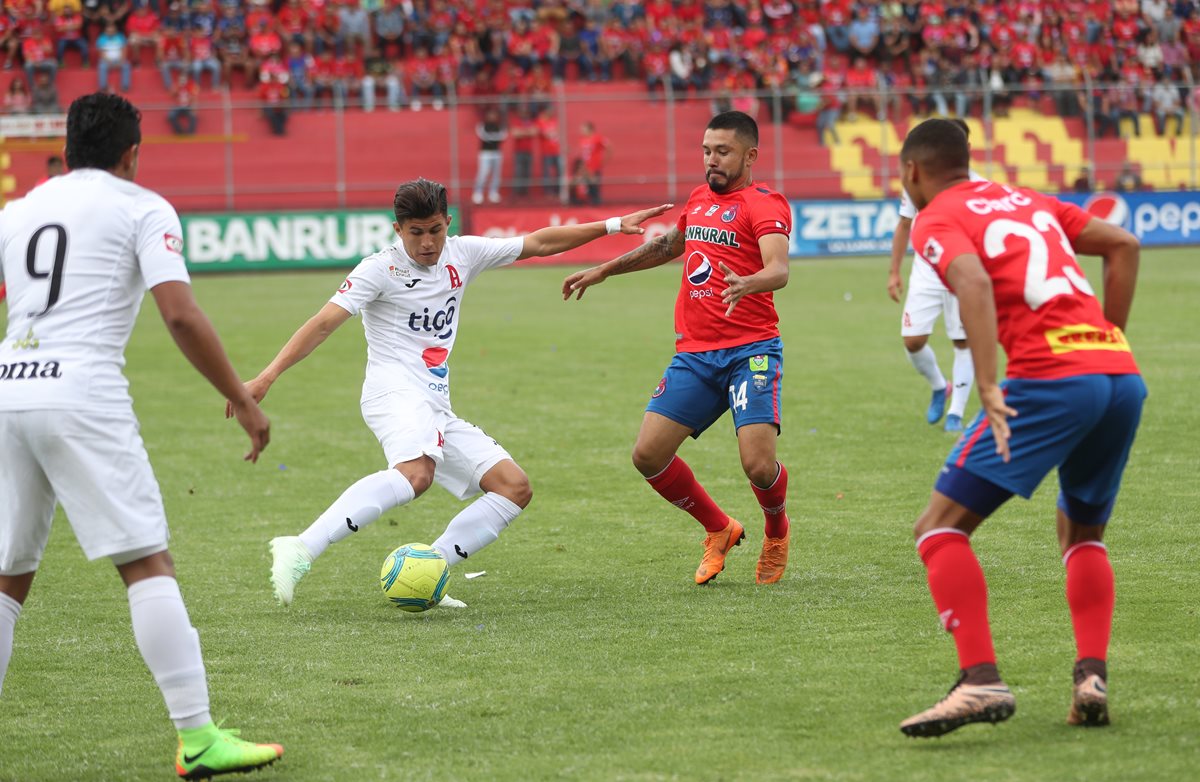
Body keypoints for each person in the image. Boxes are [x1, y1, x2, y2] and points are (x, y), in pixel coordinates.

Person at [0, 92, 283, 778]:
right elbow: (180, 316)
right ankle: (197, 738)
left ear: (66, 149)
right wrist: (242, 399)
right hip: (83, 394)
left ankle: (199, 735)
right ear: (132, 154)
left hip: (10, 386)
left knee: (8, 578)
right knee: (146, 563)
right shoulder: (142, 206)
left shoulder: (17, 211)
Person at [236, 178, 670, 607]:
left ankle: (429, 568)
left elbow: (537, 243)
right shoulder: (378, 269)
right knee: (416, 474)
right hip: (393, 393)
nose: (427, 242)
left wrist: (612, 225)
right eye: (416, 233)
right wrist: (267, 376)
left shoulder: (462, 254)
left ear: (448, 222)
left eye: (435, 230)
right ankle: (300, 547)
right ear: (397, 230)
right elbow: (323, 322)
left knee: (512, 487)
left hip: (434, 404)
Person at [896, 118, 1144, 737]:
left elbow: (973, 281)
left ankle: (979, 681)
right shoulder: (1030, 200)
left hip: (1050, 380)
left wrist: (985, 384)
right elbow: (1125, 246)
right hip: (1118, 377)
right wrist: (1108, 337)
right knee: (1082, 529)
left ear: (912, 173)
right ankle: (1091, 677)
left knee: (938, 529)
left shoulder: (937, 214)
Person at [562, 111, 794, 586]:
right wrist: (604, 270)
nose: (712, 160)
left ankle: (776, 531)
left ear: (750, 156)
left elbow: (779, 268)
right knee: (647, 455)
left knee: (757, 463)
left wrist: (751, 281)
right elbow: (668, 245)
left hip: (751, 350)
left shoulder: (765, 204)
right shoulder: (699, 200)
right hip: (695, 354)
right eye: (707, 150)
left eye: (723, 152)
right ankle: (719, 528)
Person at [887, 118, 978, 432]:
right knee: (913, 341)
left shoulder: (978, 186)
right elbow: (904, 225)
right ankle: (941, 386)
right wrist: (894, 271)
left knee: (963, 340)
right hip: (927, 270)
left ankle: (956, 413)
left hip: (963, 271)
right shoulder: (919, 180)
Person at [472, 107, 507, 205]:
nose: (492, 117)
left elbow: (503, 136)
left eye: (494, 115)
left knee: (496, 174)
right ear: (487, 117)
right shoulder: (482, 126)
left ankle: (493, 193)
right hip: (485, 153)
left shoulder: (500, 127)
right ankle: (478, 193)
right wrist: (494, 138)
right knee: (483, 173)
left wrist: (493, 138)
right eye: (490, 115)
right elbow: (484, 136)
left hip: (497, 153)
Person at [576, 120, 610, 205]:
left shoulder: (597, 138)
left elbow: (609, 146)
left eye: (583, 128)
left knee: (595, 185)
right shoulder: (582, 140)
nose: (582, 130)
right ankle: (591, 202)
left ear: (589, 129)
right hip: (585, 167)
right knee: (588, 185)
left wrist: (604, 160)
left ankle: (597, 202)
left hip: (595, 166)